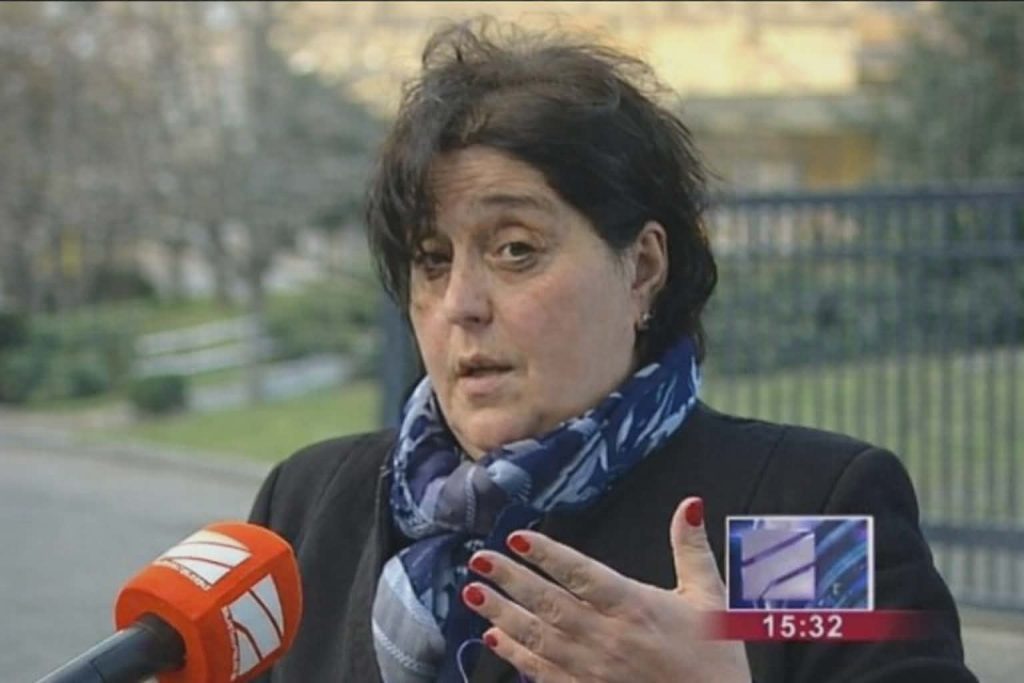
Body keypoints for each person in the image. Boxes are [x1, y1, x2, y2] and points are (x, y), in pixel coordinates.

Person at [250, 20, 977, 683]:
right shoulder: (313, 503)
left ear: (642, 269)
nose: (460, 303)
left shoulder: (789, 527)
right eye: (432, 260)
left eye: (515, 249)